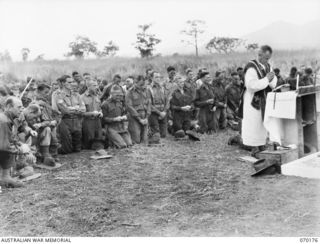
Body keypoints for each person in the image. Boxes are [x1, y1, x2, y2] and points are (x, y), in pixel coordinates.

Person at [241, 45, 277, 156]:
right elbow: (251, 86)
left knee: (262, 122)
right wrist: (267, 79)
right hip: (252, 100)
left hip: (264, 98)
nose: (267, 61)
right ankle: (253, 146)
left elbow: (273, 83)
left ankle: (261, 143)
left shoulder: (268, 66)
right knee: (253, 122)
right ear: (259, 55)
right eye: (265, 58)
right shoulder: (251, 67)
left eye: (269, 58)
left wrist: (270, 79)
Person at [0, 96, 30, 188]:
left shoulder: (7, 118)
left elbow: (10, 138)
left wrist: (19, 144)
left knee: (11, 148)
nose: (22, 110)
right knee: (8, 150)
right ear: (9, 107)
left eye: (22, 107)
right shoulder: (4, 121)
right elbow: (4, 146)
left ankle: (6, 177)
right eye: (19, 107)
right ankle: (5, 177)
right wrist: (21, 150)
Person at [55, 75, 86, 154]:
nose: (72, 84)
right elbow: (65, 110)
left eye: (72, 82)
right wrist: (76, 108)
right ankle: (54, 149)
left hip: (76, 121)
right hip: (65, 121)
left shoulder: (76, 95)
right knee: (66, 150)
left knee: (77, 149)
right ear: (63, 83)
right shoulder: (58, 95)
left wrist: (72, 108)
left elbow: (83, 109)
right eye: (69, 82)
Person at [33, 83, 60, 163]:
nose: (47, 94)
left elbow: (53, 114)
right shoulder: (36, 104)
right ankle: (45, 154)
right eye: (45, 92)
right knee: (48, 130)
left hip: (48, 125)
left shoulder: (46, 103)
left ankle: (53, 154)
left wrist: (54, 120)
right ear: (38, 91)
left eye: (48, 92)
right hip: (39, 130)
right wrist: (49, 122)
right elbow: (37, 121)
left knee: (53, 132)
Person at [126, 75, 151, 144]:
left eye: (143, 84)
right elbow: (129, 107)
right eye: (141, 84)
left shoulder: (147, 90)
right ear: (135, 83)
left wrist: (147, 117)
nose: (143, 86)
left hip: (145, 115)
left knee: (145, 140)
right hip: (134, 116)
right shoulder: (130, 92)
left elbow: (149, 104)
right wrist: (139, 119)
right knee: (136, 140)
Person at [80, 79, 104, 150]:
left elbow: (99, 108)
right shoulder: (82, 97)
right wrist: (92, 113)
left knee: (98, 142)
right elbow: (81, 113)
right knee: (88, 145)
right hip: (87, 122)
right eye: (94, 85)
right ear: (88, 86)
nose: (97, 87)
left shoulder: (97, 96)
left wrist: (101, 112)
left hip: (97, 122)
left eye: (97, 85)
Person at [147, 71, 170, 143]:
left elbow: (167, 101)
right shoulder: (148, 89)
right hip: (154, 113)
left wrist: (164, 112)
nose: (158, 79)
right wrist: (159, 113)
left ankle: (151, 130)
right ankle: (149, 131)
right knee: (156, 135)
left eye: (159, 77)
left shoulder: (162, 88)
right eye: (156, 77)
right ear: (151, 78)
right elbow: (149, 104)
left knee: (163, 135)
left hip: (163, 112)